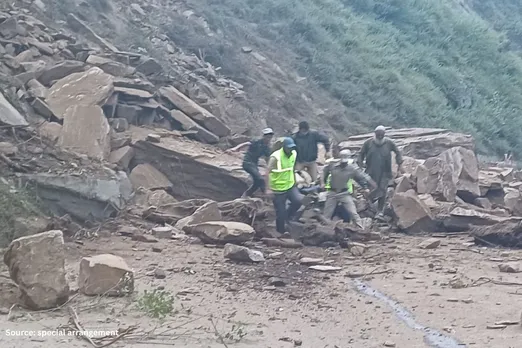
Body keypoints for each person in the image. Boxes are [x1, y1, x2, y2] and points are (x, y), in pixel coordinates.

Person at [357, 125, 403, 219]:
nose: (380, 137)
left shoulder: (389, 143)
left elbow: (397, 152)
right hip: (371, 171)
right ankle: (368, 207)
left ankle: (380, 211)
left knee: (383, 190)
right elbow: (361, 154)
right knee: (370, 189)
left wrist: (399, 163)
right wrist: (360, 165)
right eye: (378, 135)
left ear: (384, 134)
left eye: (382, 135)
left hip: (385, 172)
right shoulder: (368, 143)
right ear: (375, 134)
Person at [322, 150, 376, 228]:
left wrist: (365, 187)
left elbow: (360, 178)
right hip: (332, 192)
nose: (344, 163)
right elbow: (325, 172)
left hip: (344, 193)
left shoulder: (352, 169)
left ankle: (361, 228)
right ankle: (323, 229)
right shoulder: (332, 166)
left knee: (353, 213)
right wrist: (323, 182)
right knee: (327, 214)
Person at [266, 137, 302, 235]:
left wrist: (295, 180)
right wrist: (268, 189)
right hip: (278, 189)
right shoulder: (275, 157)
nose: (291, 150)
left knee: (298, 201)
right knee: (280, 213)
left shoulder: (294, 153)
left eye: (292, 147)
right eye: (289, 148)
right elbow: (267, 172)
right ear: (284, 147)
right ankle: (280, 231)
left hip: (290, 185)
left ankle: (289, 216)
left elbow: (292, 168)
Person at [228, 128, 275, 198]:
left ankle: (246, 194)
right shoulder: (257, 141)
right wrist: (236, 148)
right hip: (248, 163)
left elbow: (268, 157)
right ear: (264, 136)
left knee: (257, 182)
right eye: (267, 136)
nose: (268, 138)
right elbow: (246, 143)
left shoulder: (266, 147)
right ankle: (266, 195)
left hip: (254, 165)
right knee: (261, 179)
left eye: (270, 137)